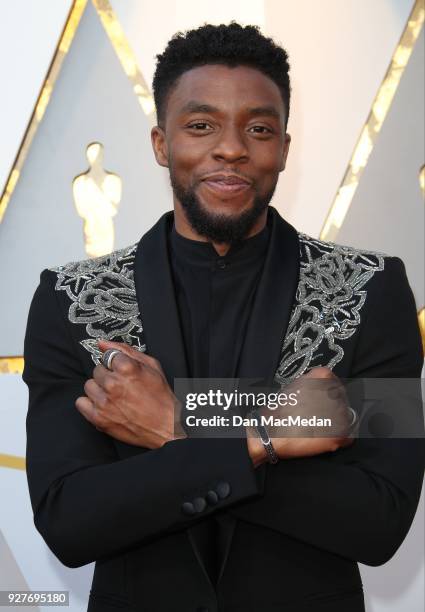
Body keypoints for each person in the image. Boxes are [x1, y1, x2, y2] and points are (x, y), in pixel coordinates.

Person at [23, 23, 424, 612]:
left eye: (258, 129)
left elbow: (380, 522)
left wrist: (174, 424)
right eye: (201, 125)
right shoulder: (74, 302)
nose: (231, 147)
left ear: (284, 147)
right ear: (161, 144)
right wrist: (265, 437)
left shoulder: (367, 291)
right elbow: (70, 521)